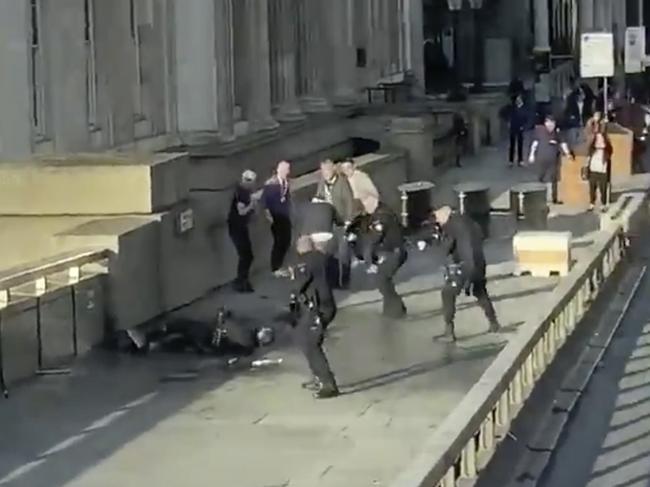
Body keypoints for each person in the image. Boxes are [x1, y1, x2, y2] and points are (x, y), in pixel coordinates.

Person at [432, 206, 500, 342]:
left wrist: (438, 238)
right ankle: (494, 322)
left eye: (438, 218)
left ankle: (449, 331)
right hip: (479, 262)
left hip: (466, 265)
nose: (438, 221)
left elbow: (446, 248)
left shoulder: (451, 226)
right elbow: (480, 235)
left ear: (445, 216)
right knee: (480, 291)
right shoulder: (469, 221)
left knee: (447, 293)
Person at [290, 235, 339, 399]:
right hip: (326, 305)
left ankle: (328, 384)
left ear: (300, 248)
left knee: (310, 344)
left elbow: (299, 284)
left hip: (317, 309)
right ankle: (318, 376)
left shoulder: (306, 261)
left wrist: (292, 282)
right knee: (302, 337)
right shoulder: (323, 258)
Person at [362, 195, 407, 319]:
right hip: (394, 251)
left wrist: (368, 260)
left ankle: (397, 309)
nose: (365, 208)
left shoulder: (381, 216)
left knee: (382, 279)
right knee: (384, 280)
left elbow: (374, 239)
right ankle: (390, 308)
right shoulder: (384, 211)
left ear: (374, 202)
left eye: (366, 204)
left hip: (393, 253)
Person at [314, 159, 355, 288]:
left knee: (343, 253)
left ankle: (345, 280)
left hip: (342, 222)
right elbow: (319, 197)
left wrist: (349, 220)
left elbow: (349, 202)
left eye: (327, 170)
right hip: (328, 222)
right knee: (329, 253)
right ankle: (333, 281)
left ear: (333, 170)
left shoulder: (342, 182)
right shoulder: (322, 183)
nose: (325, 173)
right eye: (323, 170)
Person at [528, 115, 573, 204]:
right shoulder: (540, 131)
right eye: (548, 123)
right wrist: (531, 155)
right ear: (545, 123)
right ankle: (539, 198)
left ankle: (554, 199)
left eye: (552, 124)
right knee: (540, 178)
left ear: (554, 124)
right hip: (541, 159)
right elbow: (535, 143)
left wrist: (568, 153)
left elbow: (563, 143)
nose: (550, 125)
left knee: (554, 180)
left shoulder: (557, 133)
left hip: (553, 160)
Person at [227, 170, 258, 293]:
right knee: (246, 255)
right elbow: (241, 211)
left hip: (240, 227)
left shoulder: (245, 191)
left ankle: (242, 280)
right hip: (236, 227)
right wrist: (252, 205)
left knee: (247, 255)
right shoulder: (242, 192)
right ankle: (240, 281)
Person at [262, 160, 292, 277]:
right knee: (279, 242)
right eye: (286, 170)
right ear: (280, 170)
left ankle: (281, 264)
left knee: (287, 240)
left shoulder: (286, 182)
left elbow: (287, 198)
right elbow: (265, 202)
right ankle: (275, 267)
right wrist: (269, 217)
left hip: (285, 216)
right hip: (276, 217)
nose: (288, 172)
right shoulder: (271, 184)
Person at [585, 132, 612, 212]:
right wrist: (586, 166)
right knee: (592, 188)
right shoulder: (592, 149)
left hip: (602, 171)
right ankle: (592, 204)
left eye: (601, 138)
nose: (599, 140)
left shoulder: (606, 150)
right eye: (597, 138)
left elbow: (609, 153)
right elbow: (588, 158)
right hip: (593, 170)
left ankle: (603, 205)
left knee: (603, 188)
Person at [508, 94, 528, 167]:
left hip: (520, 128)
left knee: (520, 145)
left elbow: (526, 119)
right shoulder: (513, 108)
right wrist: (509, 122)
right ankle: (511, 160)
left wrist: (524, 126)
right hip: (513, 128)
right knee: (512, 145)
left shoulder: (524, 109)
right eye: (517, 99)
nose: (518, 101)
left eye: (519, 99)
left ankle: (520, 160)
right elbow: (509, 116)